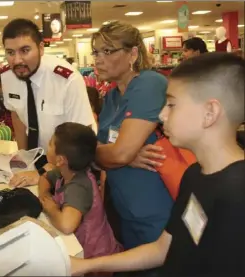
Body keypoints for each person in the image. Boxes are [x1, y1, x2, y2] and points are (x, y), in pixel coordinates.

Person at [71, 52, 245, 277]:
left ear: (209, 113)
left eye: (171, 105)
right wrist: (87, 265)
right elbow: (163, 248)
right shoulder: (195, 175)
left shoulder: (237, 194)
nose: (162, 115)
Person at [92, 22, 174, 264]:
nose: (98, 59)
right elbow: (107, 152)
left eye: (108, 51)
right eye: (96, 52)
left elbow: (117, 154)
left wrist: (120, 155)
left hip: (156, 211)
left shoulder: (149, 84)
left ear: (133, 53)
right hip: (125, 211)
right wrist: (120, 155)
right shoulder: (111, 96)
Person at [0, 18, 96, 188]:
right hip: (37, 158)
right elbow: (17, 114)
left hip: (68, 167)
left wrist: (45, 172)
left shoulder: (67, 79)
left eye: (25, 50)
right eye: (10, 52)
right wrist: (24, 159)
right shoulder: (8, 76)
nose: (17, 60)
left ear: (41, 48)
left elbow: (80, 140)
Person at [39, 123, 122, 276]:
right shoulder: (66, 172)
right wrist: (45, 196)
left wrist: (51, 209)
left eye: (50, 144)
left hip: (96, 262)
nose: (47, 145)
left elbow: (66, 225)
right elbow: (44, 178)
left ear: (60, 160)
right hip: (81, 250)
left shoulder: (79, 187)